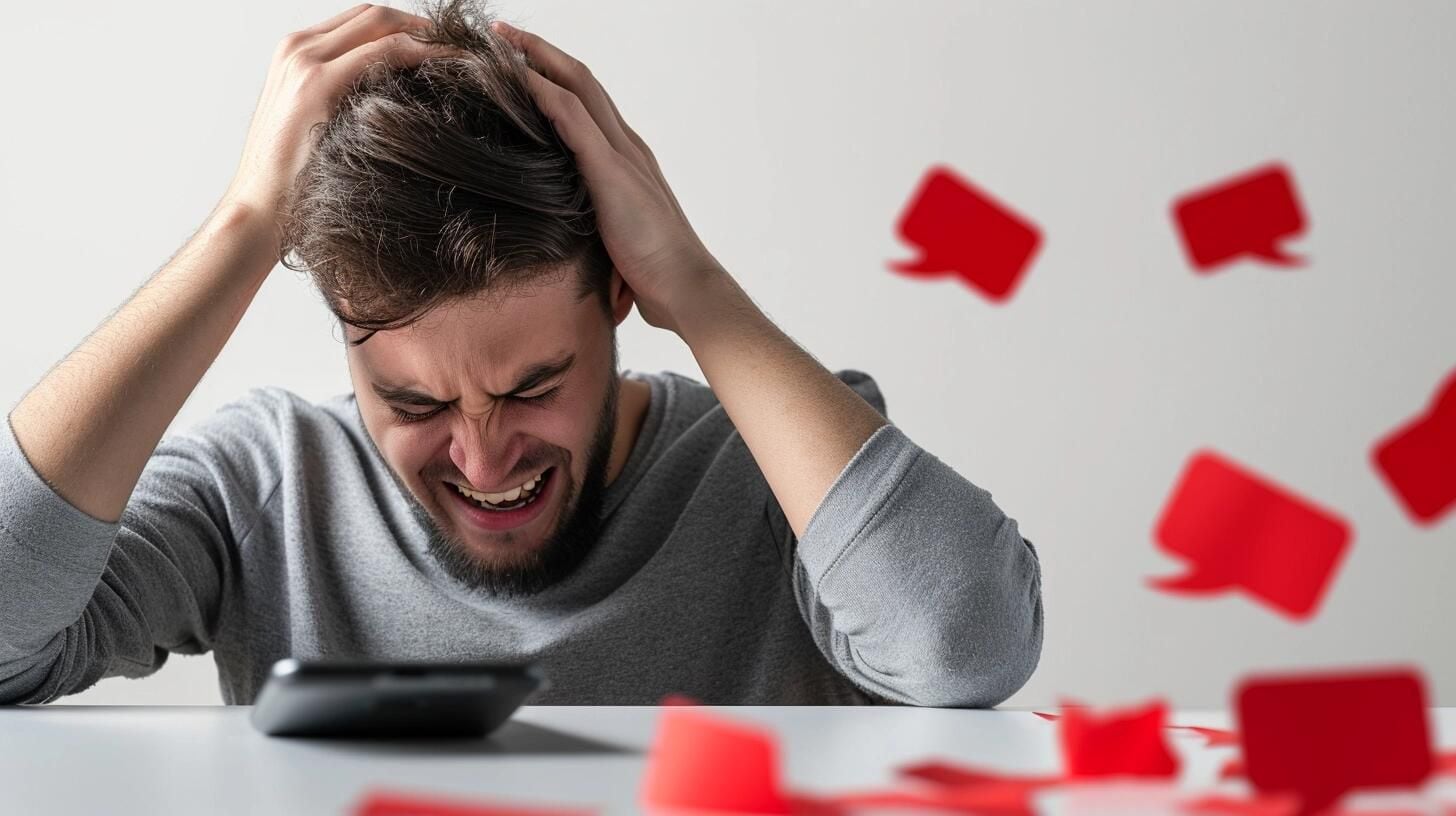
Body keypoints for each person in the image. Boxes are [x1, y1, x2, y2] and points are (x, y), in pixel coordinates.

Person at [0, 0, 1042, 706]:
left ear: (622, 295)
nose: (487, 462)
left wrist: (699, 287)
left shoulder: (778, 471)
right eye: (417, 407)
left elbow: (968, 646)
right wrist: (239, 227)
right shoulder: (266, 486)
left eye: (533, 386)